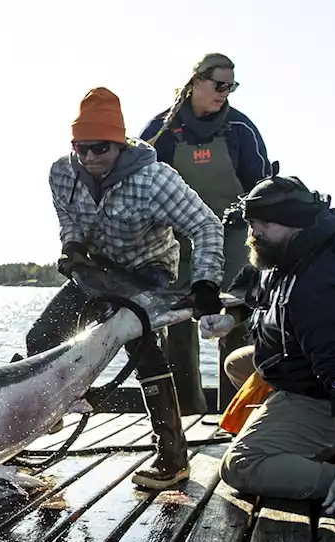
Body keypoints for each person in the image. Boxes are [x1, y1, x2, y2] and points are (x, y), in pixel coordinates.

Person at [23, 86, 226, 490]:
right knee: (41, 337)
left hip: (148, 269)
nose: (90, 158)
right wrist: (73, 246)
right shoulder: (61, 173)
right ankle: (44, 417)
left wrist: (205, 283)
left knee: (143, 350)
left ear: (119, 144)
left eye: (100, 148)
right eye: (81, 148)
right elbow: (68, 219)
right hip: (96, 267)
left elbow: (206, 226)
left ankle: (172, 459)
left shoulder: (155, 180)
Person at [218, 175, 335, 517]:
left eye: (265, 224)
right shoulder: (288, 250)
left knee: (241, 465)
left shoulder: (320, 286)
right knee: (238, 364)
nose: (254, 233)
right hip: (302, 368)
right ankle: (310, 446)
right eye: (251, 223)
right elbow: (258, 291)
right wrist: (231, 319)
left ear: (295, 224)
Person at [140, 53, 274, 416]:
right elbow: (139, 185)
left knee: (234, 322)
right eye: (219, 84)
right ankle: (188, 413)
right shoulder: (161, 131)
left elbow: (262, 189)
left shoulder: (241, 129)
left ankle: (237, 415)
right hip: (176, 239)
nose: (225, 92)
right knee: (179, 327)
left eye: (231, 86)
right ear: (195, 81)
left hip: (233, 237)